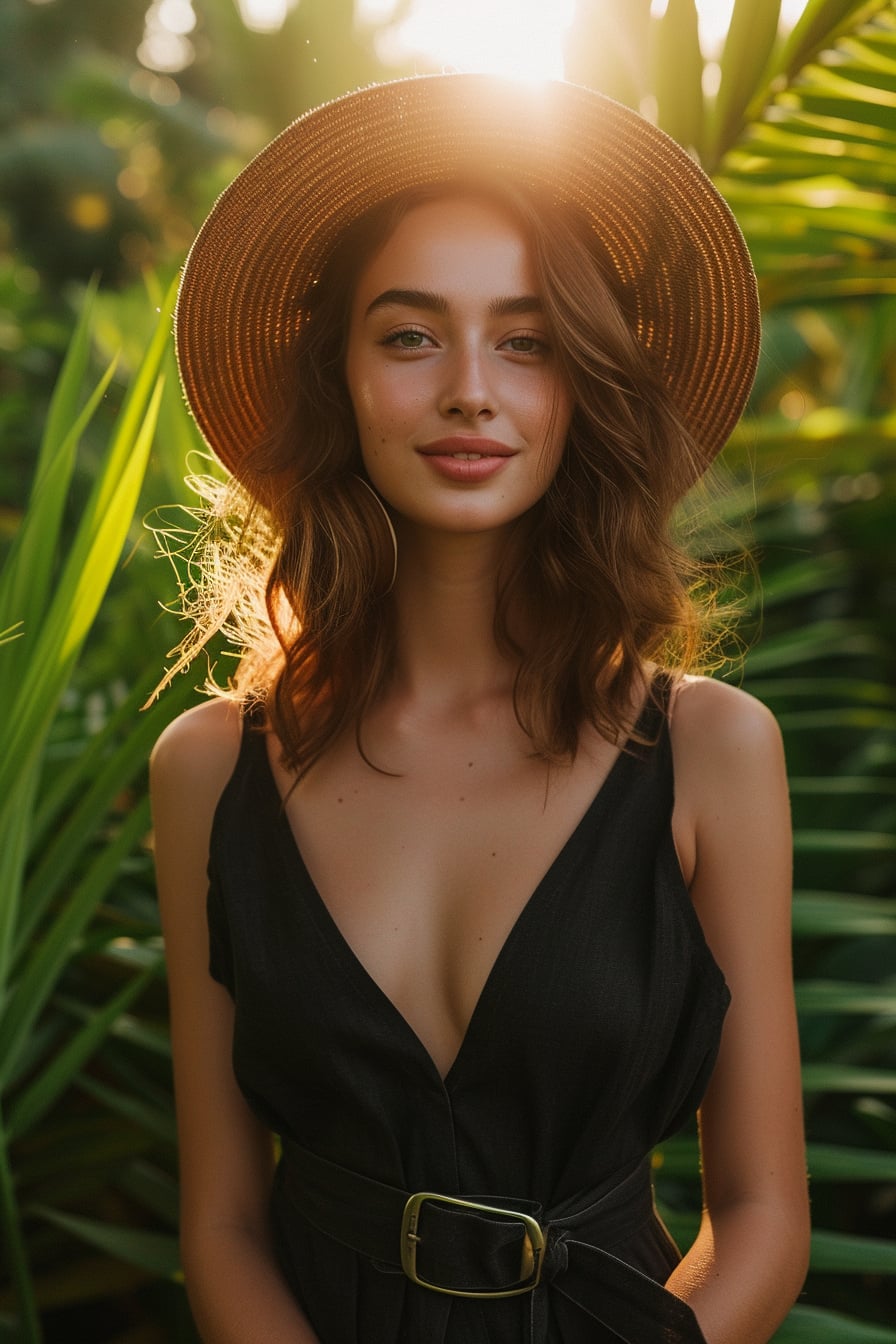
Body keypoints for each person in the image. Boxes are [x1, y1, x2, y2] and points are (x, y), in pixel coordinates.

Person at [150, 73, 810, 1344]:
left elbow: (764, 1218)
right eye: (407, 335)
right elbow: (221, 1225)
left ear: (585, 385)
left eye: (527, 339)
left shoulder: (711, 751)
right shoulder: (208, 770)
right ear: (335, 374)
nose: (468, 389)